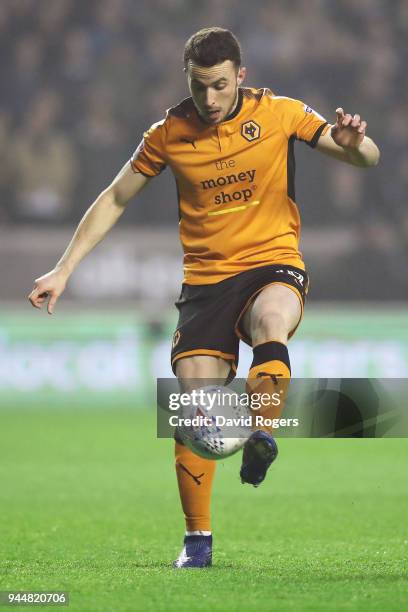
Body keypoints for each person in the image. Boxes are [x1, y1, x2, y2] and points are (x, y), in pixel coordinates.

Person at [28, 27, 380, 569]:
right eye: (199, 88)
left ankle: (262, 432)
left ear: (241, 75)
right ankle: (198, 543)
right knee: (192, 411)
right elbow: (117, 195)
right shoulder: (168, 132)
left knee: (273, 320)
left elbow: (366, 157)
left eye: (219, 85)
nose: (210, 100)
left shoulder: (281, 113)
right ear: (187, 81)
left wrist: (357, 145)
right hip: (206, 283)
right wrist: (64, 267)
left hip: (271, 261)